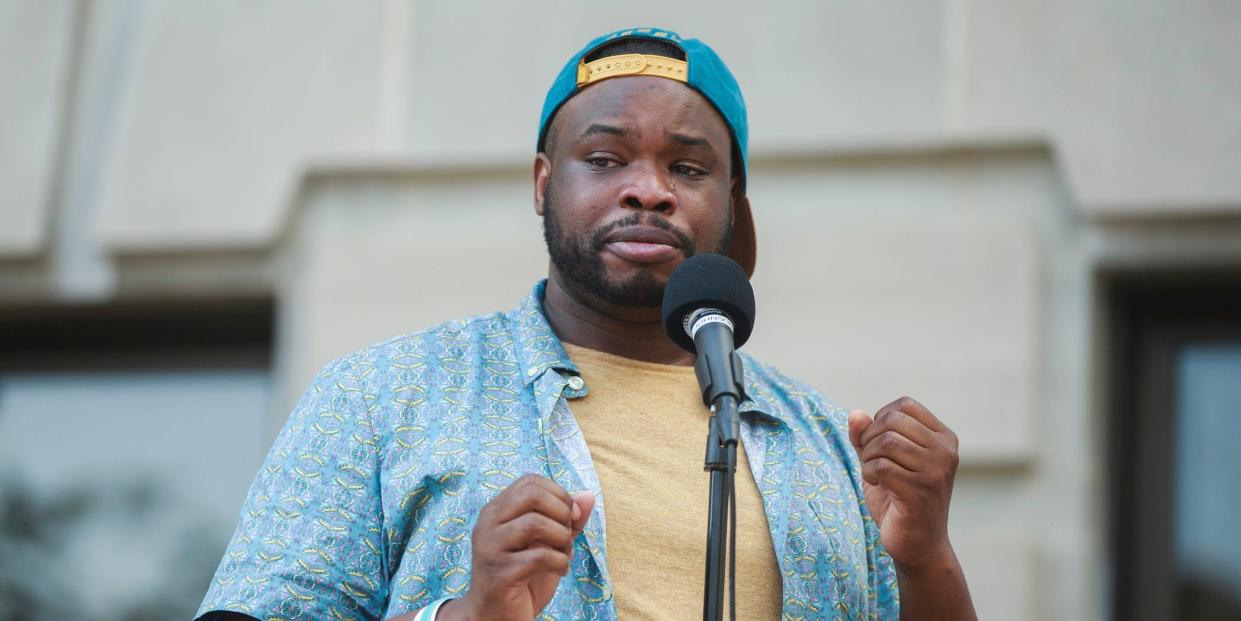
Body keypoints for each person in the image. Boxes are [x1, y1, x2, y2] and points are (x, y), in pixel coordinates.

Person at [197, 27, 975, 621]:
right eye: (604, 160)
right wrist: (467, 613)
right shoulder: (383, 395)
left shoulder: (824, 445)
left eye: (688, 167)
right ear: (544, 183)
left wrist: (926, 558)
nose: (648, 191)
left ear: (732, 203)